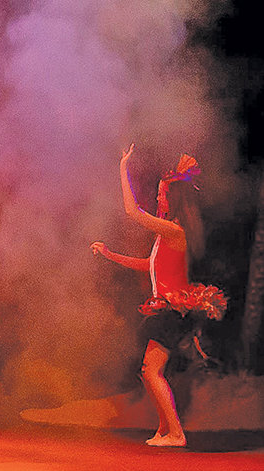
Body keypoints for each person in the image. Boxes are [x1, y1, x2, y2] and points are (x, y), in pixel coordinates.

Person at [91, 145, 227, 447]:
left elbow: (131, 211)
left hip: (172, 312)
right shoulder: (165, 235)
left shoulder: (174, 231)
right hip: (165, 311)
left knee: (151, 371)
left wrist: (122, 167)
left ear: (173, 198)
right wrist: (110, 254)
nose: (157, 198)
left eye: (161, 194)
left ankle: (176, 434)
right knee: (149, 370)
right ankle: (165, 430)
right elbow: (148, 266)